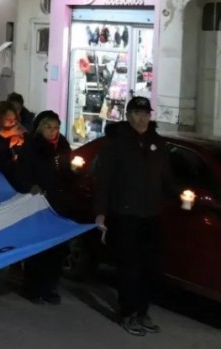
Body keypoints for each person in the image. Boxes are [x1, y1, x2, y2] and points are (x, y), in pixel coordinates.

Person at [93, 97, 178, 336]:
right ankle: (128, 313)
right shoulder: (116, 142)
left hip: (150, 213)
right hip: (125, 213)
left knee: (149, 267)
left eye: (146, 114)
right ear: (128, 115)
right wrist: (100, 212)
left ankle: (142, 311)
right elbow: (104, 179)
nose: (142, 118)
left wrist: (179, 196)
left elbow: (166, 177)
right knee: (129, 267)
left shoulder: (157, 143)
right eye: (138, 113)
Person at [15, 110, 72, 305]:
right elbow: (22, 172)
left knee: (57, 248)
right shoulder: (31, 146)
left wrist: (74, 172)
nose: (52, 131)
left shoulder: (62, 145)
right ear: (40, 127)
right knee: (39, 248)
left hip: (58, 202)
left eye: (55, 127)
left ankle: (50, 287)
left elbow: (66, 171)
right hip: (39, 203)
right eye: (48, 127)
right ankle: (32, 287)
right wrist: (31, 186)